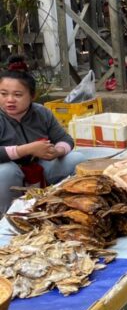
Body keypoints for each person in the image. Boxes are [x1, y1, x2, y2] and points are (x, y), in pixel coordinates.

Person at [0, 70, 87, 212]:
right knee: (5, 172)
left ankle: (59, 204)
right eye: (3, 94)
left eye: (17, 95)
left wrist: (57, 151)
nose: (10, 100)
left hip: (39, 169)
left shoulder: (42, 113)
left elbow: (65, 139)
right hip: (9, 179)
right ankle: (9, 216)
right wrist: (27, 149)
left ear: (32, 96)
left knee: (77, 159)